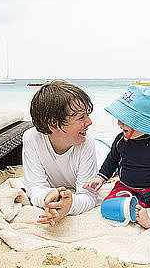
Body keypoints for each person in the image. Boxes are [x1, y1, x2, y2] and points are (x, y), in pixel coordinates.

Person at [84, 85, 150, 228]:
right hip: (128, 188)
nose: (119, 123)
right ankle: (140, 215)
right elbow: (112, 160)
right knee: (108, 205)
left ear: (141, 123)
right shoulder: (120, 140)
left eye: (124, 119)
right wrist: (100, 177)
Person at [23, 80, 99, 226]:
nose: (89, 122)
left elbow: (89, 197)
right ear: (53, 124)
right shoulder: (32, 138)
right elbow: (36, 188)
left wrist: (70, 205)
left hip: (100, 155)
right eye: (81, 117)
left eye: (86, 115)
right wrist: (48, 197)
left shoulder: (86, 142)